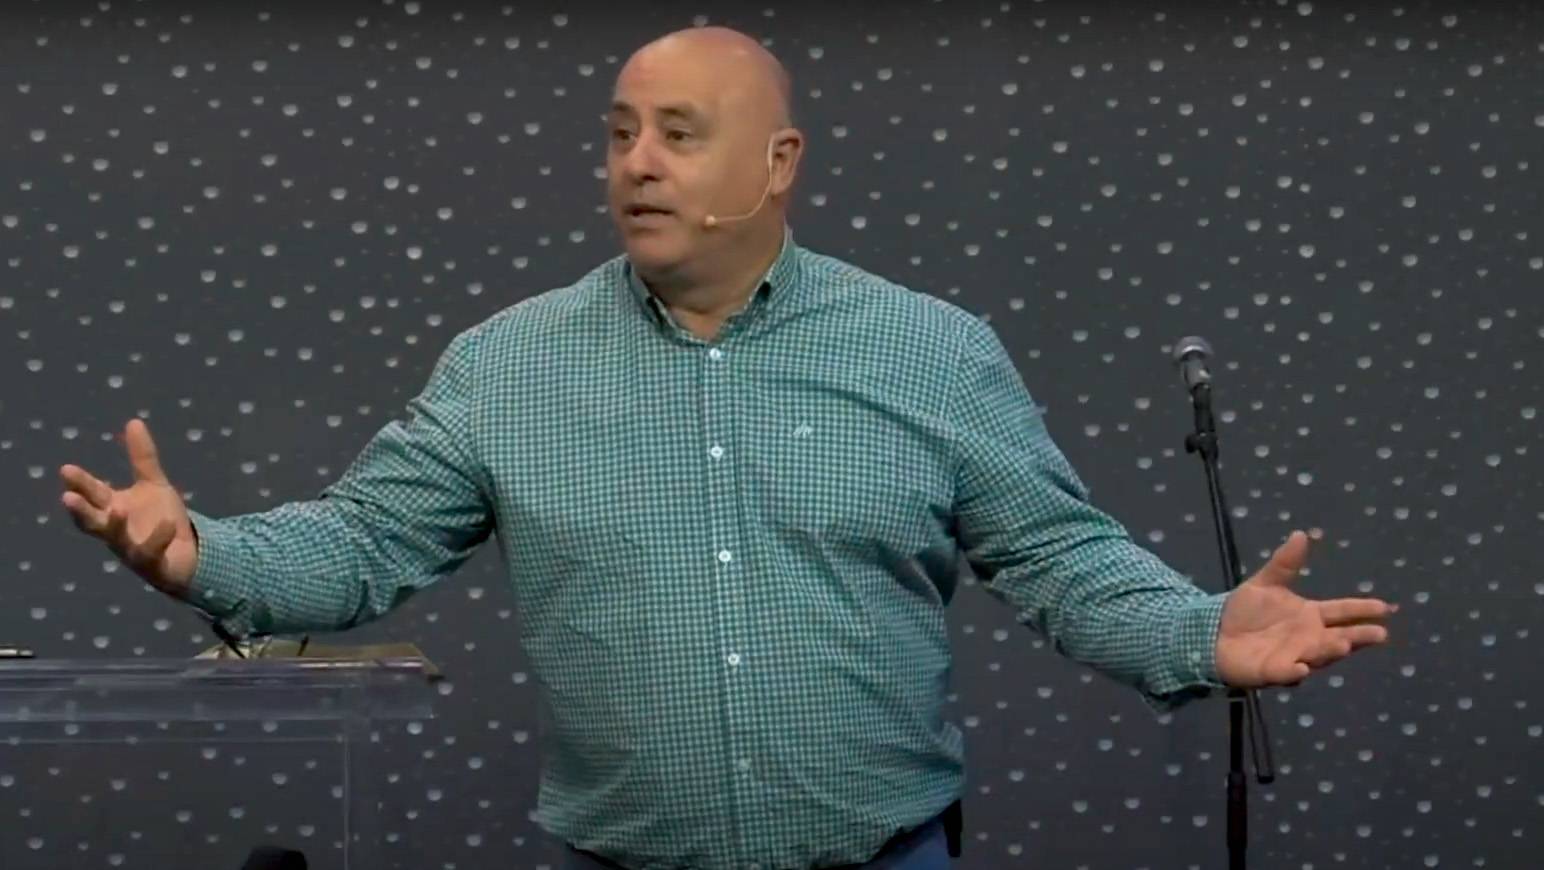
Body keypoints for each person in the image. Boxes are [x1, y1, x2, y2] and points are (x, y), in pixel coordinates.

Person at [57, 25, 1397, 870]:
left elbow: (1060, 559)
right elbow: (361, 544)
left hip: (888, 853)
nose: (636, 161)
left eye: (678, 135)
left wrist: (1197, 629)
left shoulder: (929, 349)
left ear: (778, 161)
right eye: (620, 134)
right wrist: (202, 553)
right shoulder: (508, 363)